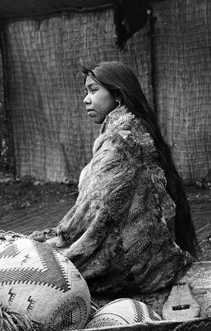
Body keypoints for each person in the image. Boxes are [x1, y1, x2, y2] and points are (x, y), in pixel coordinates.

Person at [31, 61, 199, 296]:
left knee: (39, 268)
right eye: (86, 92)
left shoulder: (121, 140)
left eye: (93, 90)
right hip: (150, 259)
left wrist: (59, 238)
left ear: (118, 95)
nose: (86, 99)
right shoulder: (132, 128)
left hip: (134, 266)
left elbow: (96, 209)